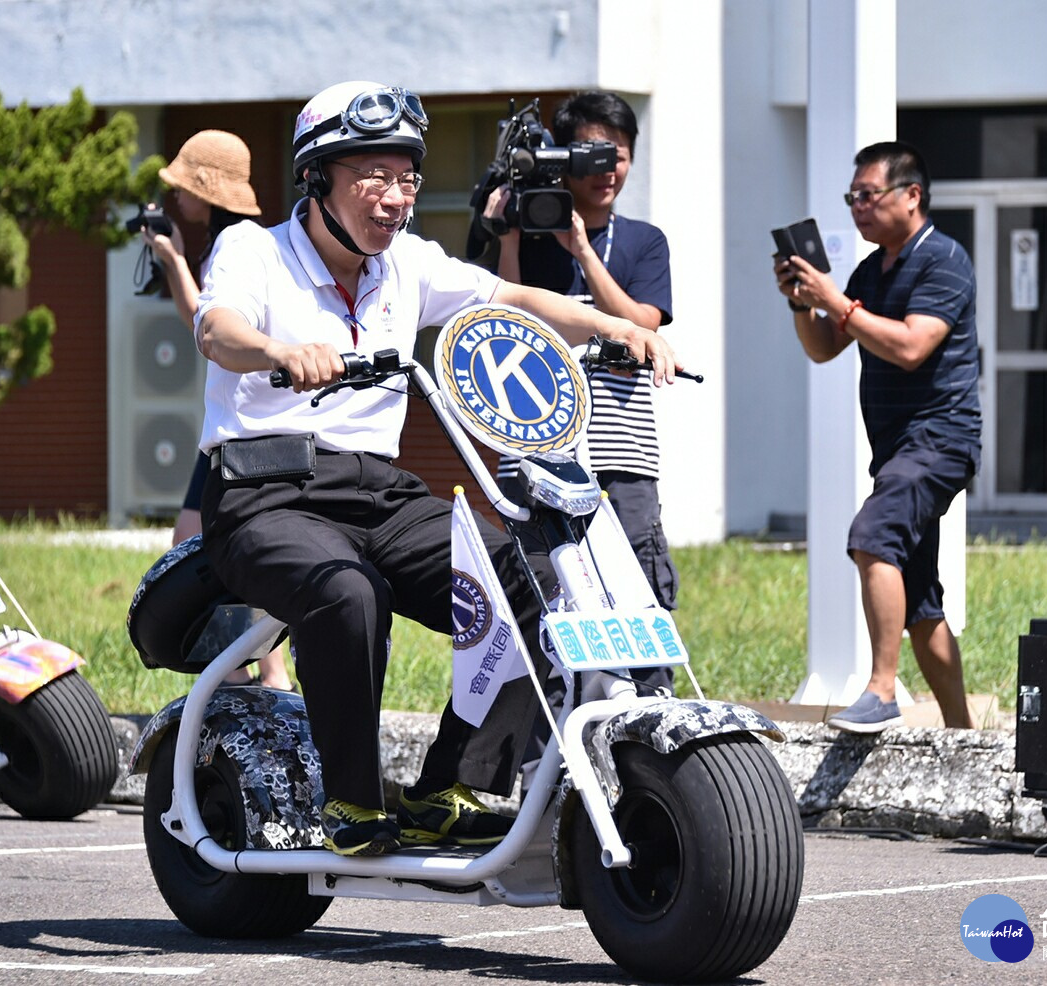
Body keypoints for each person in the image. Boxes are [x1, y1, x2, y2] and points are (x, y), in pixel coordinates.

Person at [194, 80, 682, 857]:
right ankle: (349, 803)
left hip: (375, 490)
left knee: (524, 576)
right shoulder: (253, 250)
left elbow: (511, 296)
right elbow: (217, 331)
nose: (394, 198)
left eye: (407, 178)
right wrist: (280, 351)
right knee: (346, 593)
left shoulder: (408, 266)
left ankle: (454, 786)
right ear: (317, 178)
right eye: (373, 178)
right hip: (263, 492)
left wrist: (611, 323)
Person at [773, 140, 979, 734]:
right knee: (919, 604)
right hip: (899, 449)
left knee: (873, 534)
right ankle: (965, 737)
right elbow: (824, 348)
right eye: (852, 198)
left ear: (911, 196)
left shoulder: (943, 259)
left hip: (940, 438)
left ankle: (882, 690)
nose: (858, 208)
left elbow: (913, 347)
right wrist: (800, 304)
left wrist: (834, 300)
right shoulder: (872, 268)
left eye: (869, 195)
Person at [478, 90, 678, 694]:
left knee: (639, 582)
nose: (608, 170)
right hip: (540, 448)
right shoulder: (527, 235)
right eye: (593, 155)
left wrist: (582, 250)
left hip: (624, 451)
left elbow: (641, 322)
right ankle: (548, 736)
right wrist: (509, 236)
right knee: (545, 588)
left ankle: (650, 709)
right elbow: (506, 324)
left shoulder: (644, 241)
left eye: (619, 155)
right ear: (560, 159)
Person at [146, 130, 293, 692]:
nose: (175, 200)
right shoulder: (244, 240)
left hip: (245, 430)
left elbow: (201, 325)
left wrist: (172, 260)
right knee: (214, 552)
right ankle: (259, 674)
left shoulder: (236, 243)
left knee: (196, 555)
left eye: (181, 188)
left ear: (201, 192)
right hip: (241, 426)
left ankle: (240, 678)